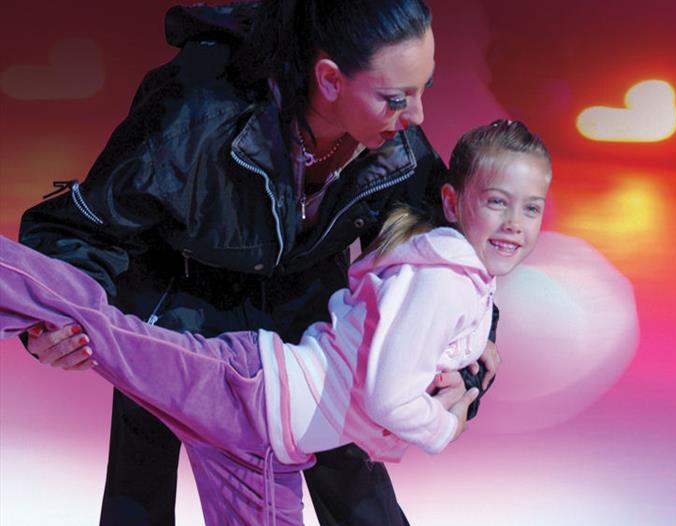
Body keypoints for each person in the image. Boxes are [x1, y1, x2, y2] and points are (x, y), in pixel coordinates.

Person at [18, 1, 499, 524]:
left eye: (424, 88)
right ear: (331, 79)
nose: (417, 115)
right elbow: (78, 227)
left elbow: (448, 257)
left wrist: (471, 363)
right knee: (140, 489)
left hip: (308, 318)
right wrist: (52, 324)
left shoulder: (400, 144)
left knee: (362, 497)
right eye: (395, 97)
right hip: (178, 306)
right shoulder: (193, 110)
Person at [1, 120, 551, 526]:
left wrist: (475, 370)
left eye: (532, 208)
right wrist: (441, 427)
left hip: (275, 439)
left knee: (106, 334)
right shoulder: (445, 276)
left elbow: (453, 311)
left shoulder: (450, 252)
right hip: (248, 382)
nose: (410, 109)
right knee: (104, 332)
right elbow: (390, 393)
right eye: (500, 203)